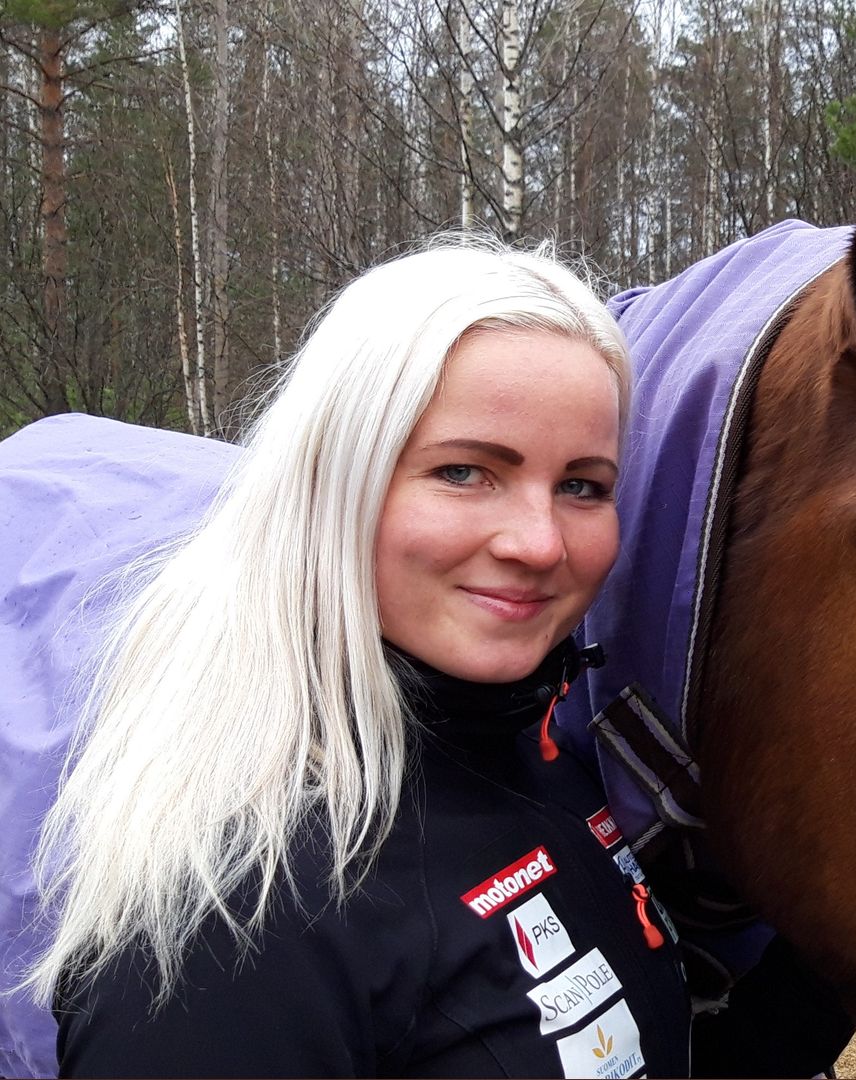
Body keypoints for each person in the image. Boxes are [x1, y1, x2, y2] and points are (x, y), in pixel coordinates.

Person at [17, 239, 696, 1077]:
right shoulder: (236, 924)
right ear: (336, 483)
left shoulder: (534, 746)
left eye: (582, 485)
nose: (540, 543)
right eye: (465, 472)